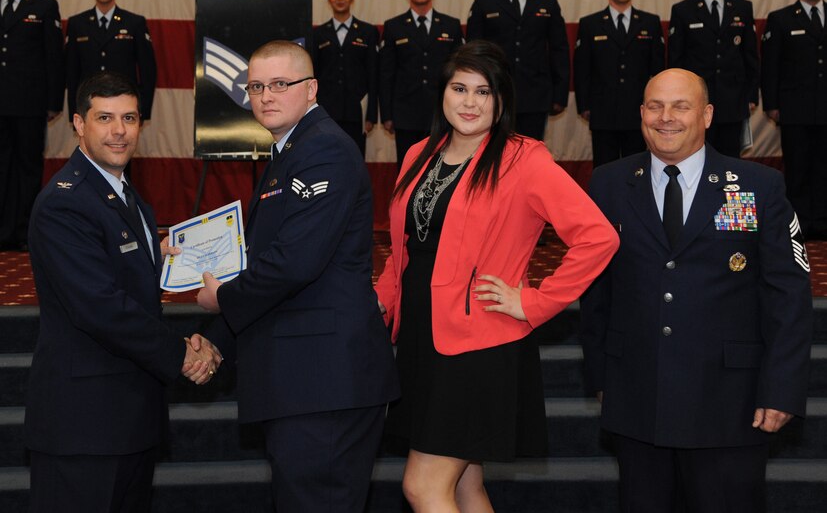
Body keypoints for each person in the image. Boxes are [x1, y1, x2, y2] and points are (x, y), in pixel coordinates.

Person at [374, 40, 619, 512]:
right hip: (422, 339)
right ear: (442, 93)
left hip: (480, 344)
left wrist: (535, 302)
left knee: (422, 486)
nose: (470, 102)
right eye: (459, 88)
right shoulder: (419, 154)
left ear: (501, 99)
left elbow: (598, 237)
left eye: (483, 92)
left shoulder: (524, 159)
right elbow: (403, 250)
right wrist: (380, 302)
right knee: (465, 487)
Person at [581, 69, 813, 513]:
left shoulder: (755, 186)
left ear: (706, 115)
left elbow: (788, 294)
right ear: (641, 113)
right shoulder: (609, 183)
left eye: (680, 106)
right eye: (655, 106)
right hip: (637, 398)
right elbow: (597, 291)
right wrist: (601, 376)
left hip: (730, 403)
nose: (666, 117)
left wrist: (781, 387)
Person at [196, 41, 398, 512]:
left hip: (324, 382)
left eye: (280, 85)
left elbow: (294, 262)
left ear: (311, 90)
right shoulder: (290, 151)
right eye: (257, 86)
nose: (266, 96)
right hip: (304, 380)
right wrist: (218, 338)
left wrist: (224, 297)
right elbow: (270, 259)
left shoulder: (323, 148)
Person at [25, 71, 223, 512]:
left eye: (129, 118)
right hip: (83, 427)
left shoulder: (124, 194)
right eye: (105, 118)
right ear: (78, 123)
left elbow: (125, 275)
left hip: (128, 420)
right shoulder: (66, 201)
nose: (119, 131)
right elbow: (100, 308)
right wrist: (182, 355)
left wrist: (172, 259)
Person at [466, 0, 570, 141]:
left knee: (531, 154)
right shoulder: (484, 0)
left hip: (536, 94)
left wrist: (559, 95)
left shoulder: (547, 0)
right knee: (495, 153)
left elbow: (559, 49)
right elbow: (473, 51)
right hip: (496, 91)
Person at [0, 0, 64, 251]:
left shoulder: (44, 5)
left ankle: (25, 232)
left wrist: (54, 102)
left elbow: (54, 57)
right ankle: (2, 231)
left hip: (29, 104)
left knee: (27, 169)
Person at [667, 0, 759, 157]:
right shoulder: (683, 10)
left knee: (730, 158)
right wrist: (678, 98)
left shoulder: (742, 7)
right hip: (696, 99)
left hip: (733, 98)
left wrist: (752, 94)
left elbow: (750, 55)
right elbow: (676, 60)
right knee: (696, 155)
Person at [574, 0, 665, 167]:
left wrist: (657, 105)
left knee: (638, 167)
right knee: (604, 167)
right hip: (602, 109)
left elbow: (658, 70)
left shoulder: (650, 22)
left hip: (639, 110)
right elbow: (582, 68)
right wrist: (584, 105)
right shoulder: (591, 24)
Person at [761, 0, 827, 240]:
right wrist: (772, 104)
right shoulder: (781, 19)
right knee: (797, 169)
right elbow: (771, 65)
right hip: (794, 107)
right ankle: (800, 224)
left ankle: (823, 222)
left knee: (824, 168)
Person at [379, 0, 464, 168]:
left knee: (443, 166)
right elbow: (386, 73)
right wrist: (387, 115)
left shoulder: (451, 25)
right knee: (409, 168)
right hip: (405, 112)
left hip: (442, 111)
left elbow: (460, 72)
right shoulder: (394, 26)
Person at [66, 0, 157, 122]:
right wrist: (75, 111)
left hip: (124, 103)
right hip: (89, 104)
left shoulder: (134, 22)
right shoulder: (77, 23)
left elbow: (148, 70)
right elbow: (71, 71)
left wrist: (142, 110)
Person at [312, 0, 379, 157]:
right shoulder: (317, 34)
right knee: (325, 159)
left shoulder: (368, 32)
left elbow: (373, 75)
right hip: (326, 112)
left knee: (354, 161)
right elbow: (313, 76)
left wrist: (371, 114)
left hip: (356, 112)